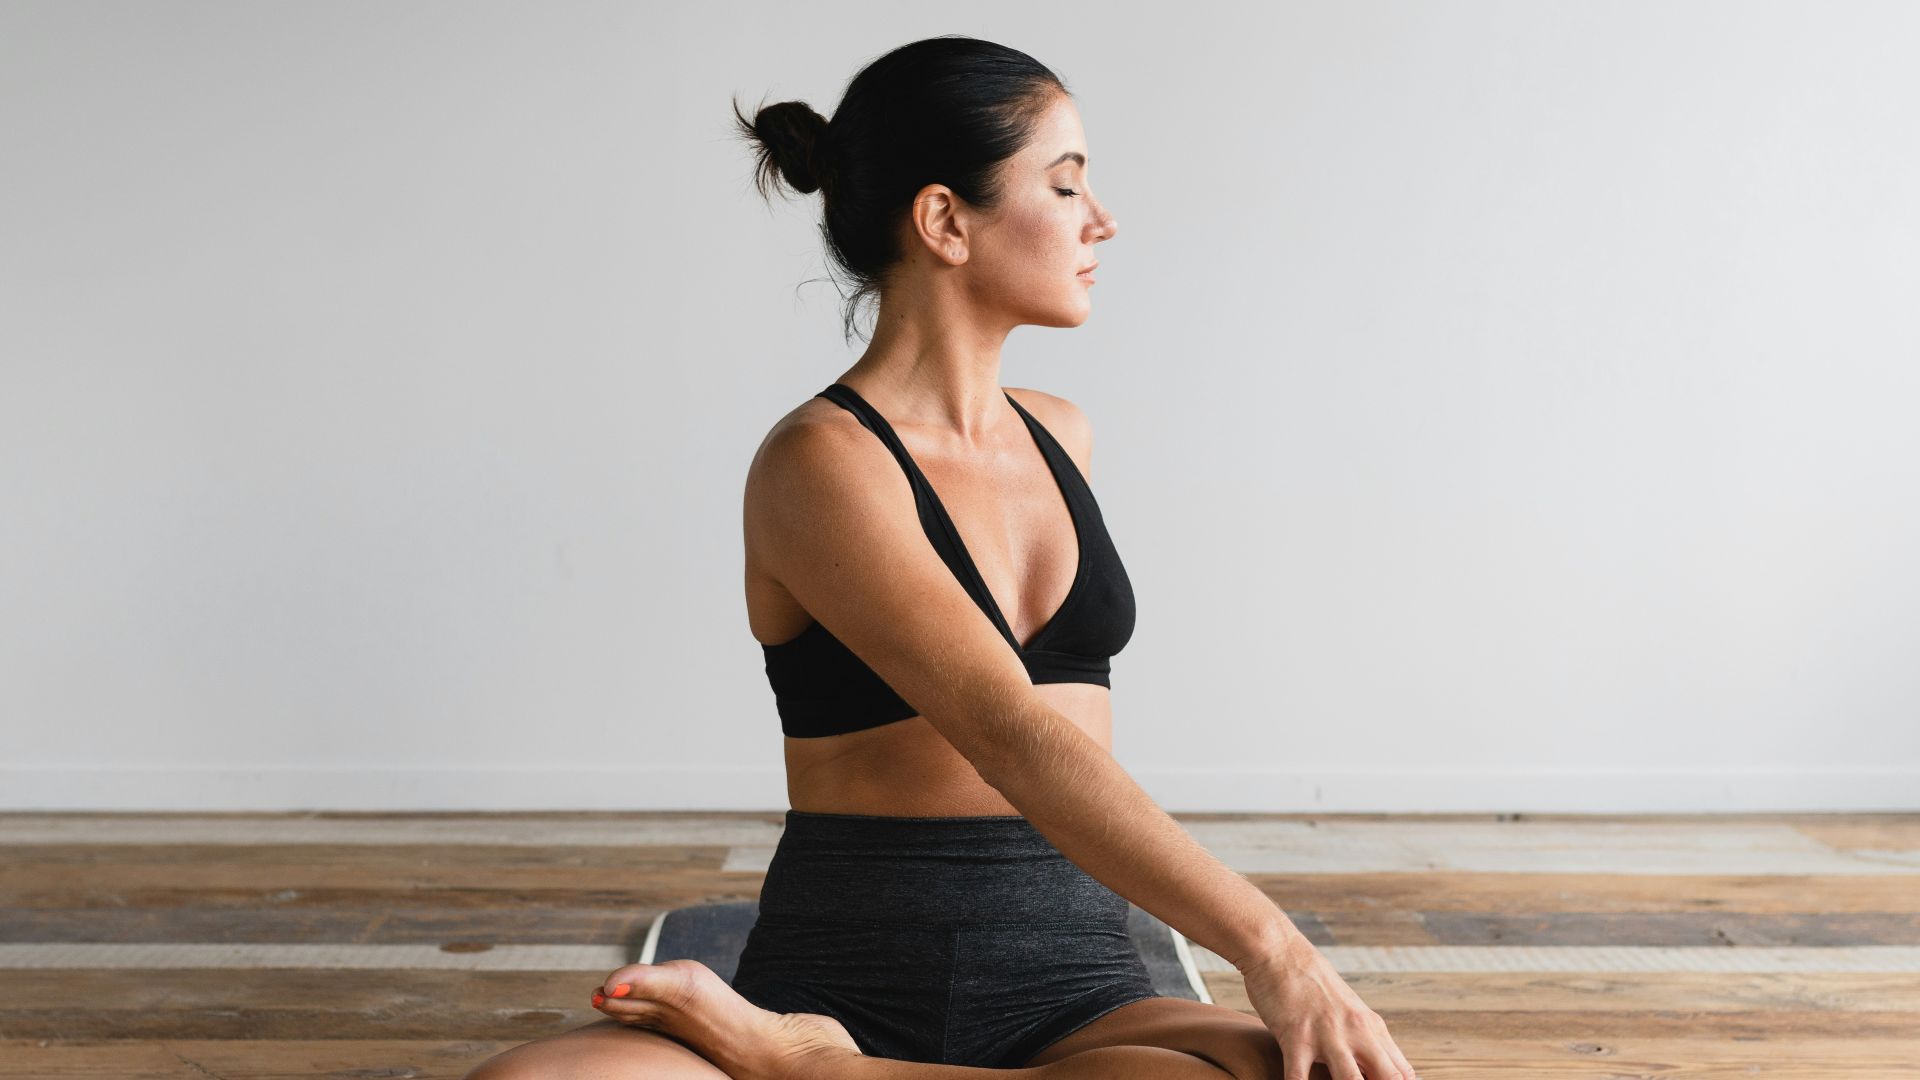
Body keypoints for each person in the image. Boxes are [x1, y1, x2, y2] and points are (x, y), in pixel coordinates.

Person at [465, 34, 1417, 1080]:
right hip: (838, 978)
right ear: (944, 221)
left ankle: (814, 1075)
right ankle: (816, 1052)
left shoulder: (1065, 436)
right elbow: (1007, 731)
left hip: (1076, 987)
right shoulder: (821, 462)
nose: (1101, 221)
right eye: (1064, 187)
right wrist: (1274, 948)